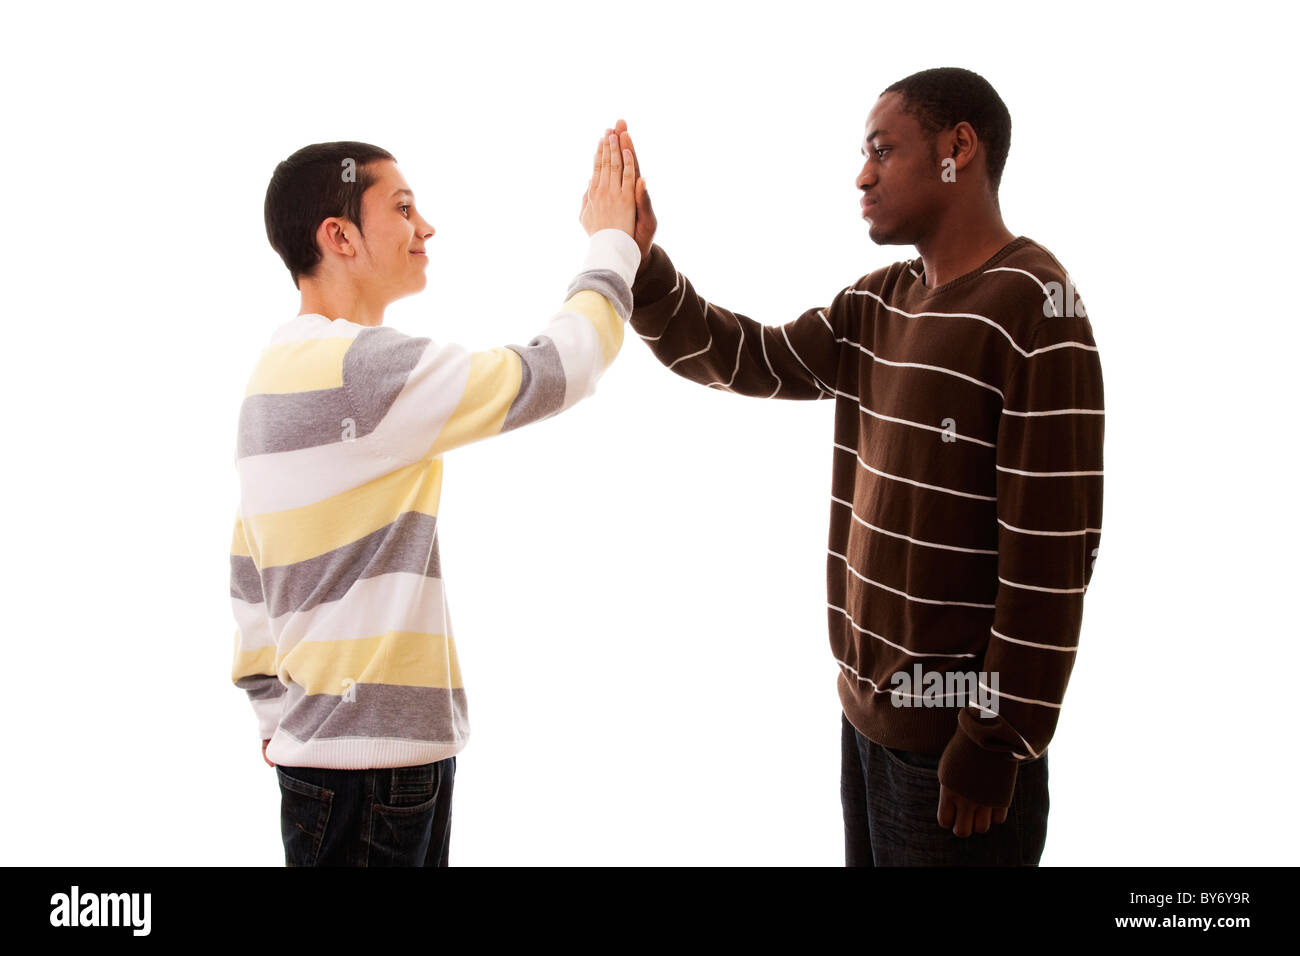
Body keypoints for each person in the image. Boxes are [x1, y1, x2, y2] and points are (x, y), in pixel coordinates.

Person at [617, 67, 1103, 865]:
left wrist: (995, 738)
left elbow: (1053, 555)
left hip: (959, 749)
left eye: (883, 149)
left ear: (958, 149)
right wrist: (640, 263)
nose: (863, 173)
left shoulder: (1037, 304)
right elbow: (749, 358)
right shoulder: (879, 302)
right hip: (868, 726)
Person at [228, 132, 642, 865]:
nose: (426, 227)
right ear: (340, 236)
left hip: (325, 761)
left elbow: (247, 570)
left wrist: (273, 711)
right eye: (404, 207)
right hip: (377, 772)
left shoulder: (271, 374)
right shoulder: (365, 370)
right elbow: (557, 371)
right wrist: (611, 244)